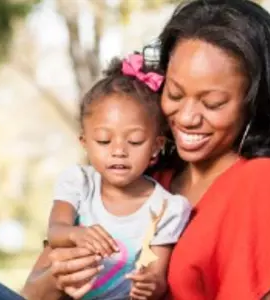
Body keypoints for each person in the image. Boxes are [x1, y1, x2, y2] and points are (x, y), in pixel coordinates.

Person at [0, 1, 270, 299]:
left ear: (254, 102)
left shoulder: (260, 180)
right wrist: (61, 278)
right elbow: (33, 291)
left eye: (213, 103)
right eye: (176, 94)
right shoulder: (147, 174)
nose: (186, 117)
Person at [44, 53, 193, 300]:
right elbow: (55, 231)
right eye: (103, 140)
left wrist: (149, 285)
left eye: (134, 141)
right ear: (85, 143)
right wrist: (75, 234)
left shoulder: (167, 208)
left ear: (156, 146)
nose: (119, 151)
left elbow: (157, 278)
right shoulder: (79, 183)